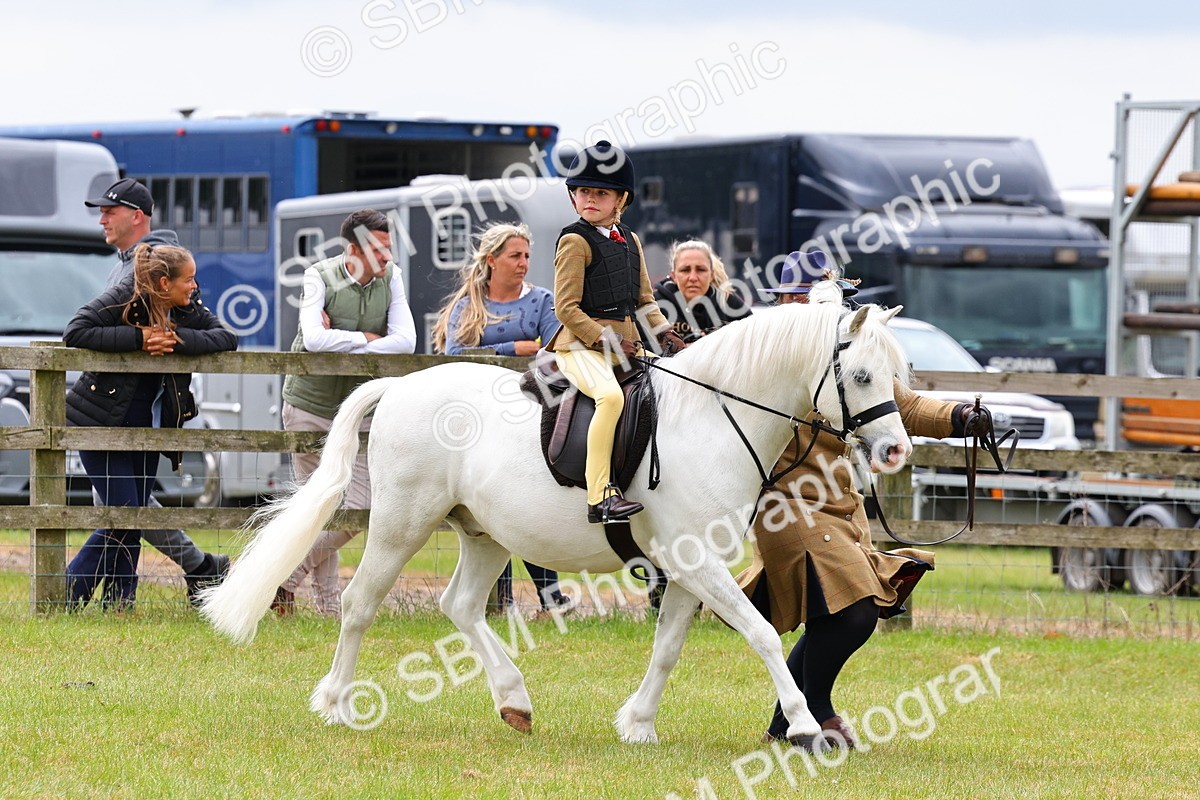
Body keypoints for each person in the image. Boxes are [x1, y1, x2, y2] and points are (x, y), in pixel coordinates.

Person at [743, 249, 992, 749]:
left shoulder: (846, 354)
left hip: (840, 504)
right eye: (799, 298)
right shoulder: (763, 357)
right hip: (782, 506)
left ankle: (784, 722)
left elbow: (904, 404)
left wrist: (961, 416)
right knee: (855, 610)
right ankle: (817, 713)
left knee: (839, 616)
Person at [64, 244, 238, 610]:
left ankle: (119, 601)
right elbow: (76, 330)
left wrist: (176, 340)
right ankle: (66, 593)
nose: (194, 286)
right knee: (125, 515)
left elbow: (226, 337)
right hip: (99, 423)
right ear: (164, 282)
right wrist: (140, 338)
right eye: (188, 279)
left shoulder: (186, 307)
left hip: (147, 429)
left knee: (133, 517)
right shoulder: (125, 295)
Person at [274, 208, 417, 616]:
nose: (388, 257)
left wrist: (347, 339)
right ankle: (328, 610)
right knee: (319, 508)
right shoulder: (318, 274)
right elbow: (315, 340)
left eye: (389, 248)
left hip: (358, 410)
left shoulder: (393, 278)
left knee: (358, 508)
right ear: (353, 249)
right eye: (380, 249)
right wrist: (368, 337)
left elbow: (406, 341)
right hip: (308, 404)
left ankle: (283, 578)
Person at [546, 140, 686, 524]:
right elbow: (566, 308)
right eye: (584, 192)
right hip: (580, 349)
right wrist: (608, 341)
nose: (590, 199)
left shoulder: (631, 241)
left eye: (601, 193)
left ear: (620, 199)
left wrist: (665, 332)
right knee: (610, 398)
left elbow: (644, 299)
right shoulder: (575, 241)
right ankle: (599, 495)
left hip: (628, 347)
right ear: (573, 196)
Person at [431, 222, 568, 611]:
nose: (524, 263)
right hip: (478, 418)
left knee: (527, 502)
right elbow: (454, 354)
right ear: (492, 261)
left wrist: (517, 350)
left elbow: (554, 348)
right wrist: (514, 347)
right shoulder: (469, 304)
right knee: (490, 505)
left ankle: (549, 596)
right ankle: (500, 599)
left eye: (527, 256)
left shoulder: (541, 301)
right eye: (515, 256)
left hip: (529, 411)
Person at [653, 239, 751, 341]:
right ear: (674, 276)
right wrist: (675, 350)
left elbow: (754, 341)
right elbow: (641, 346)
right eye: (685, 270)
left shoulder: (726, 300)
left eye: (701, 270)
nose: (693, 277)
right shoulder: (655, 305)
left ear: (712, 275)